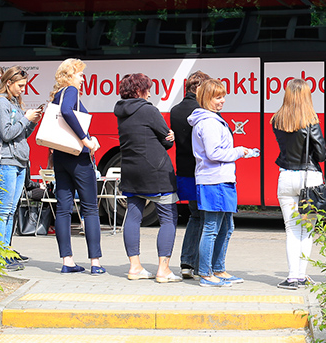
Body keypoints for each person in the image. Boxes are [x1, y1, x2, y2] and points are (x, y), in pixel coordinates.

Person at [188, 79, 256, 287]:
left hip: (221, 179)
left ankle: (218, 269)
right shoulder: (208, 123)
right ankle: (206, 274)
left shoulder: (212, 120)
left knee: (226, 226)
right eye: (218, 97)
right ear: (207, 98)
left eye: (223, 96)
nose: (223, 101)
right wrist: (239, 152)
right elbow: (213, 153)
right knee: (212, 227)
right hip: (214, 180)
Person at [115, 73, 180, 283]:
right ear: (139, 90)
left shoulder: (120, 112)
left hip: (131, 170)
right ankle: (164, 270)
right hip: (156, 171)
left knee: (133, 216)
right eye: (147, 89)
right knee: (168, 218)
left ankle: (134, 267)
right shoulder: (148, 110)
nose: (150, 93)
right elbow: (167, 140)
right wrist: (169, 135)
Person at [48, 58, 103, 274]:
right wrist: (86, 140)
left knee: (63, 209)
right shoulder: (70, 91)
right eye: (80, 74)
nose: (82, 78)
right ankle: (95, 263)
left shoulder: (56, 95)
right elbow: (69, 113)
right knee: (89, 208)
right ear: (70, 75)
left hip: (60, 157)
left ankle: (67, 261)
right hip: (78, 157)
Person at [272, 78, 326, 290]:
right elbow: (321, 154)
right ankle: (302, 276)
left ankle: (292, 276)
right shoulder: (311, 121)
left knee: (291, 230)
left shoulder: (277, 120)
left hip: (286, 177)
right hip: (310, 178)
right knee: (307, 230)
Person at [0, 66, 43, 271]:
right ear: (9, 83)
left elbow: (20, 133)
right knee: (3, 210)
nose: (23, 89)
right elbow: (6, 133)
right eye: (20, 85)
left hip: (19, 160)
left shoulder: (13, 103)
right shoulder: (1, 102)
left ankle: (5, 252)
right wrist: (25, 119)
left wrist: (31, 123)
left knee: (11, 210)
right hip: (7, 160)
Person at [170, 70, 210, 279]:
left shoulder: (175, 110)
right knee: (207, 220)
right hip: (203, 172)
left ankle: (187, 263)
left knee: (194, 216)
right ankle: (203, 265)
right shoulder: (203, 111)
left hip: (185, 172)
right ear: (200, 89)